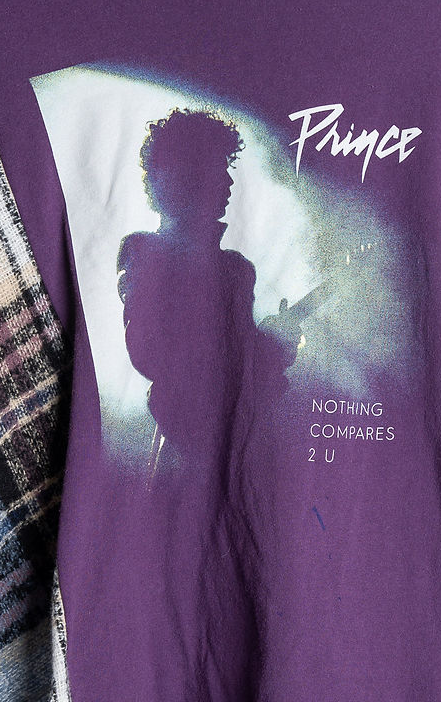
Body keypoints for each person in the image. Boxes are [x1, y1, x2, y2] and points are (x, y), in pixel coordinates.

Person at [116, 107, 302, 479]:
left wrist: (279, 343)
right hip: (184, 464)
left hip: (240, 457)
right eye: (218, 168)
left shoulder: (237, 270)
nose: (229, 182)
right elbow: (152, 357)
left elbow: (249, 377)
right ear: (184, 176)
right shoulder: (146, 253)